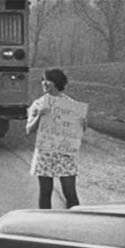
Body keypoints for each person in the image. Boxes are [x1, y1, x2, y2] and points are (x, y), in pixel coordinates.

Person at [26, 68, 86, 209]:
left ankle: (75, 222)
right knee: (45, 191)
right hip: (45, 153)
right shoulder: (38, 104)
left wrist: (83, 124)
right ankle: (45, 223)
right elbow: (29, 129)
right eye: (43, 80)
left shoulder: (71, 105)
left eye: (48, 80)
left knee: (70, 192)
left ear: (57, 82)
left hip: (65, 153)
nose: (44, 83)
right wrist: (39, 116)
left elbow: (78, 131)